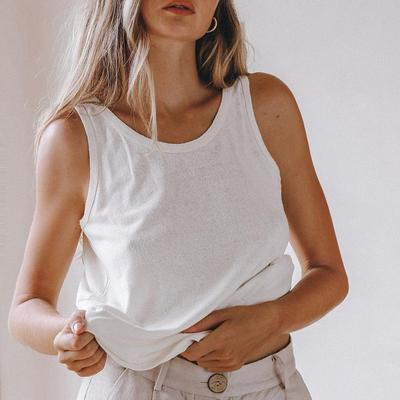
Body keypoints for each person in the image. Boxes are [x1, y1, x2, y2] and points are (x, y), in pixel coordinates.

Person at [8, 1, 349, 399]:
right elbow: (27, 306)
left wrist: (272, 319)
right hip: (135, 387)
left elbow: (329, 273)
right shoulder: (75, 137)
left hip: (270, 387)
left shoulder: (266, 107)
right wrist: (64, 336)